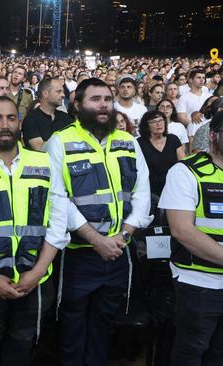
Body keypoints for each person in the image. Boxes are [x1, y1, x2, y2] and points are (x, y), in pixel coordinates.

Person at [45, 78, 152, 366]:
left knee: (105, 326)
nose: (103, 104)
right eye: (95, 99)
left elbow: (142, 193)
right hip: (79, 257)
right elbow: (57, 199)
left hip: (118, 254)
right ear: (77, 105)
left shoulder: (127, 141)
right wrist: (97, 240)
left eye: (107, 98)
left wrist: (123, 236)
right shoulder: (60, 142)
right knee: (72, 327)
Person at [0, 96, 69, 366]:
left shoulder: (44, 163)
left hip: (34, 280)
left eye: (11, 118)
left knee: (22, 345)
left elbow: (58, 222)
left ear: (20, 122)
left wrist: (36, 273)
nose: (5, 125)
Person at [159, 111, 223, 365]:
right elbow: (182, 230)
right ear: (214, 136)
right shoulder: (185, 171)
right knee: (192, 350)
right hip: (199, 283)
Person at [137, 110, 185, 197]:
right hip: (150, 191)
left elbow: (183, 164)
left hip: (173, 189)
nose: (158, 124)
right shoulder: (140, 143)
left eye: (160, 120)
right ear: (147, 125)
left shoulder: (173, 139)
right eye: (154, 122)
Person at [22, 78, 73, 151]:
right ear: (45, 94)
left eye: (63, 92)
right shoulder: (31, 119)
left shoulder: (65, 117)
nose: (63, 95)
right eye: (58, 92)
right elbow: (39, 147)